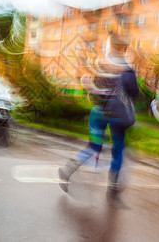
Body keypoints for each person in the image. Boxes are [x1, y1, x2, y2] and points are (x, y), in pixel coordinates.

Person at [58, 34, 139, 203]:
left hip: (98, 113)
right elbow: (134, 94)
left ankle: (68, 170)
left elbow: (95, 86)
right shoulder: (128, 71)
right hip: (117, 118)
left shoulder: (102, 64)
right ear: (124, 48)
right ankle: (114, 185)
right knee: (118, 150)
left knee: (93, 147)